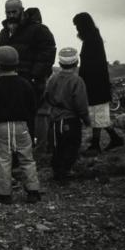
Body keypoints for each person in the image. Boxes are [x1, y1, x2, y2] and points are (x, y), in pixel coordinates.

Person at [0, 0, 56, 155]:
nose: (11, 15)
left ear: (21, 10)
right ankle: (22, 151)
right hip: (12, 80)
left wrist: (35, 76)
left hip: (32, 80)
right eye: (8, 12)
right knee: (19, 116)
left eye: (14, 12)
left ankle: (39, 150)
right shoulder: (4, 32)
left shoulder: (38, 30)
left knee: (36, 115)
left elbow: (48, 53)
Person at [0, 46, 41, 204]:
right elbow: (32, 106)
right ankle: (33, 191)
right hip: (23, 126)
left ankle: (5, 193)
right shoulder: (25, 83)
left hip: (3, 126)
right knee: (27, 158)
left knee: (4, 159)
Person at [73, 12, 123, 155]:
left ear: (83, 25)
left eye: (77, 26)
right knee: (99, 115)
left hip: (95, 84)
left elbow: (90, 65)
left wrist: (82, 80)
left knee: (98, 114)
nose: (76, 29)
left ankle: (97, 145)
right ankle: (113, 139)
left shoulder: (91, 40)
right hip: (97, 83)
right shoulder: (93, 38)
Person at [44, 47, 91, 183]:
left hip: (55, 119)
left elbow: (46, 95)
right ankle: (64, 173)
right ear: (76, 63)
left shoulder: (53, 79)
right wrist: (86, 120)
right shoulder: (77, 81)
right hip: (71, 120)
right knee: (71, 146)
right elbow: (81, 104)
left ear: (60, 63)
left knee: (58, 146)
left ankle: (57, 172)